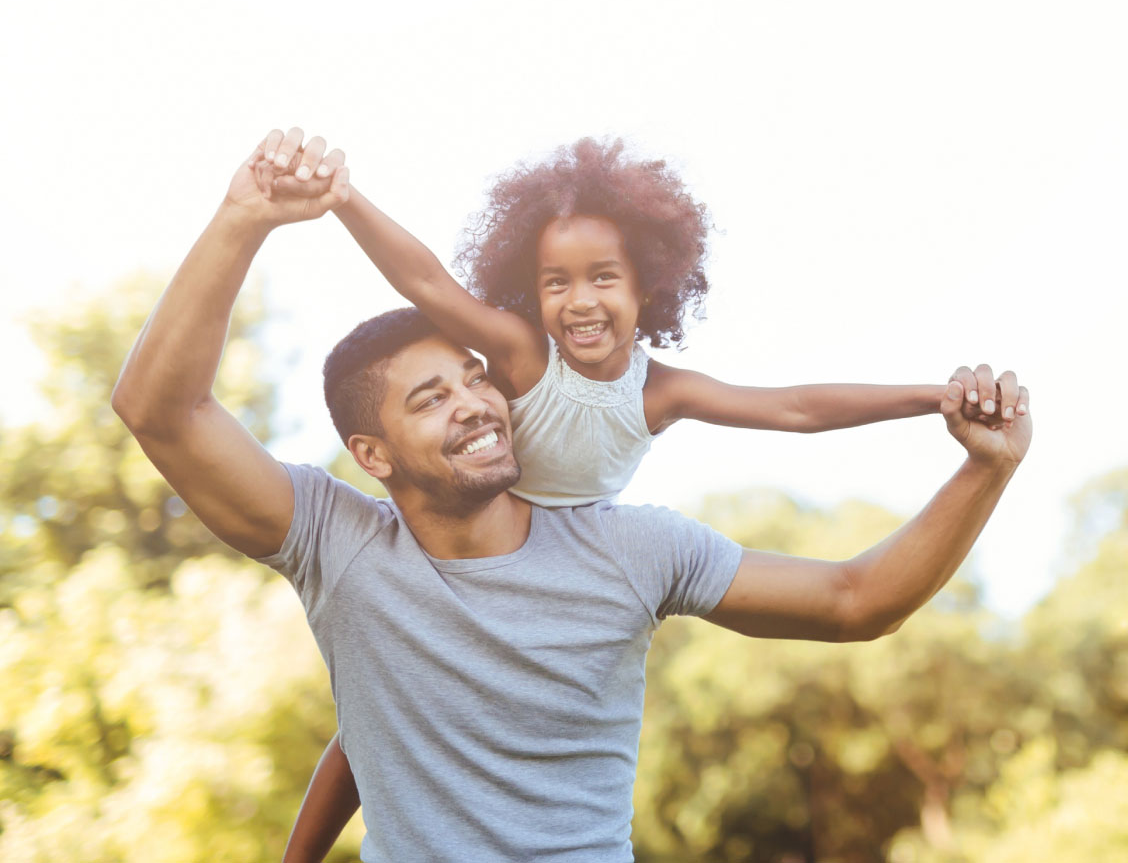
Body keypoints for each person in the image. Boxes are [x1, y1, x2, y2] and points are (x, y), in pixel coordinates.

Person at [112, 130, 1030, 863]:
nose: (476, 400)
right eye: (431, 399)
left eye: (474, 380)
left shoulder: (633, 550)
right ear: (371, 453)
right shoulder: (335, 543)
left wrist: (983, 466)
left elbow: (854, 600)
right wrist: (245, 218)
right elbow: (162, 410)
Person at [292, 129, 1028, 507]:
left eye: (603, 278)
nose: (579, 301)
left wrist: (933, 398)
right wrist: (343, 198)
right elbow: (429, 283)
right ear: (530, 287)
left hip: (572, 561)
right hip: (476, 533)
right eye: (556, 282)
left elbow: (797, 409)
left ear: (649, 287)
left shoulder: (661, 393)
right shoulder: (522, 354)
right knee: (377, 699)